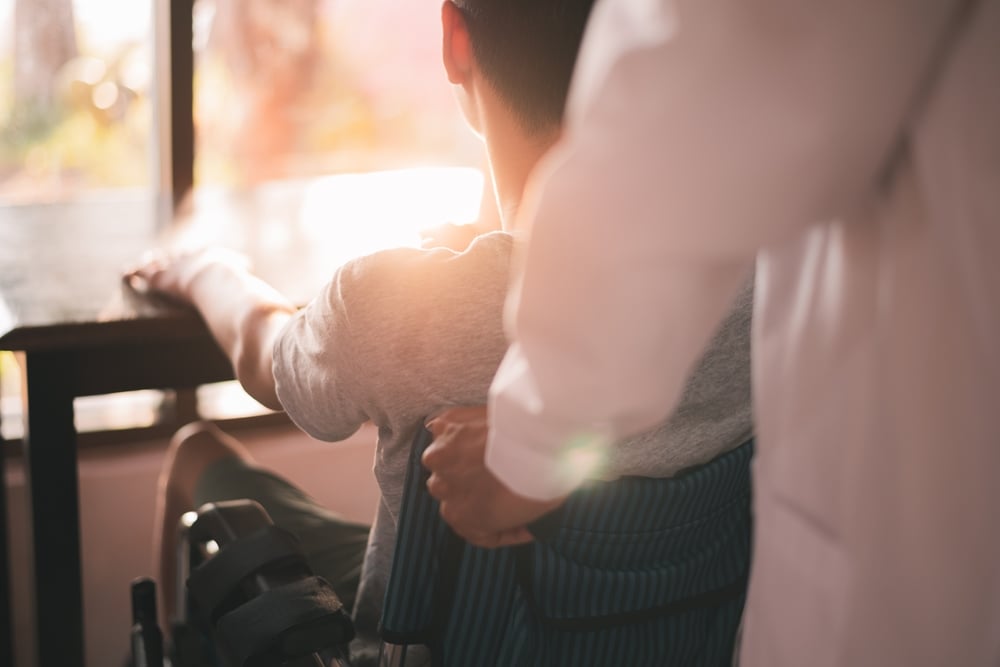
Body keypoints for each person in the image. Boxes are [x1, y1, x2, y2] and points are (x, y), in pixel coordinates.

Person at [128, 0, 752, 663]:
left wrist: (205, 270)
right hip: (662, 639)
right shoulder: (757, 274)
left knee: (197, 452)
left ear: (455, 37)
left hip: (423, 644)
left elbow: (265, 358)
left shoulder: (395, 304)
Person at [423, 1, 1000, 666]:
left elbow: (700, 86)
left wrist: (534, 439)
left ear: (456, 38)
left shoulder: (402, 306)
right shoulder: (746, 300)